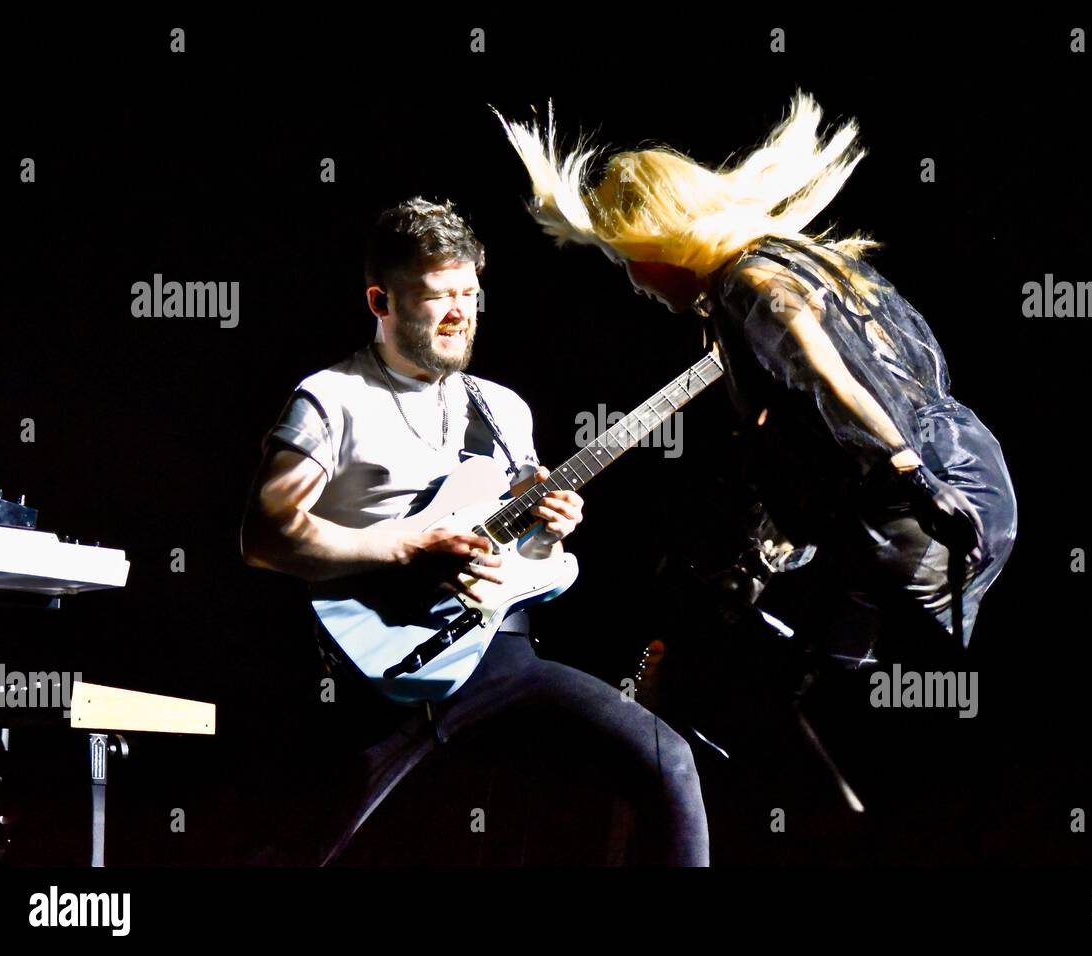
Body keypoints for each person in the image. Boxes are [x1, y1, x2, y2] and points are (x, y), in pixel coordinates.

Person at [238, 197, 709, 866]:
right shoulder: (331, 398)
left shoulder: (501, 407)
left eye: (470, 292)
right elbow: (266, 536)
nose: (461, 312)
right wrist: (403, 545)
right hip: (374, 677)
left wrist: (550, 531)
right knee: (297, 849)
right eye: (438, 296)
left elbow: (530, 557)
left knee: (669, 761)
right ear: (381, 300)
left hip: (500, 659)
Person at [494, 94, 1018, 661]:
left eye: (625, 260)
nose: (634, 283)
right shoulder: (786, 261)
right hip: (961, 476)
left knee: (804, 685)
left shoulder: (746, 283)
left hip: (919, 500)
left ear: (657, 238)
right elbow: (810, 432)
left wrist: (910, 475)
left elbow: (829, 377)